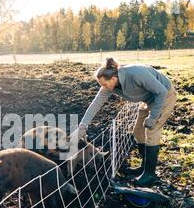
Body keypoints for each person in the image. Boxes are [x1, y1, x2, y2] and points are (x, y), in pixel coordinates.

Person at [71, 58, 177, 187]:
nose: (103, 87)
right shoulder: (110, 85)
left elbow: (161, 92)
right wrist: (82, 126)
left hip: (164, 97)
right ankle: (144, 166)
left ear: (114, 78)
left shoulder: (136, 74)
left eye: (104, 84)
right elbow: (96, 103)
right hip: (148, 100)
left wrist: (153, 117)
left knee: (152, 130)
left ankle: (149, 174)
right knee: (138, 130)